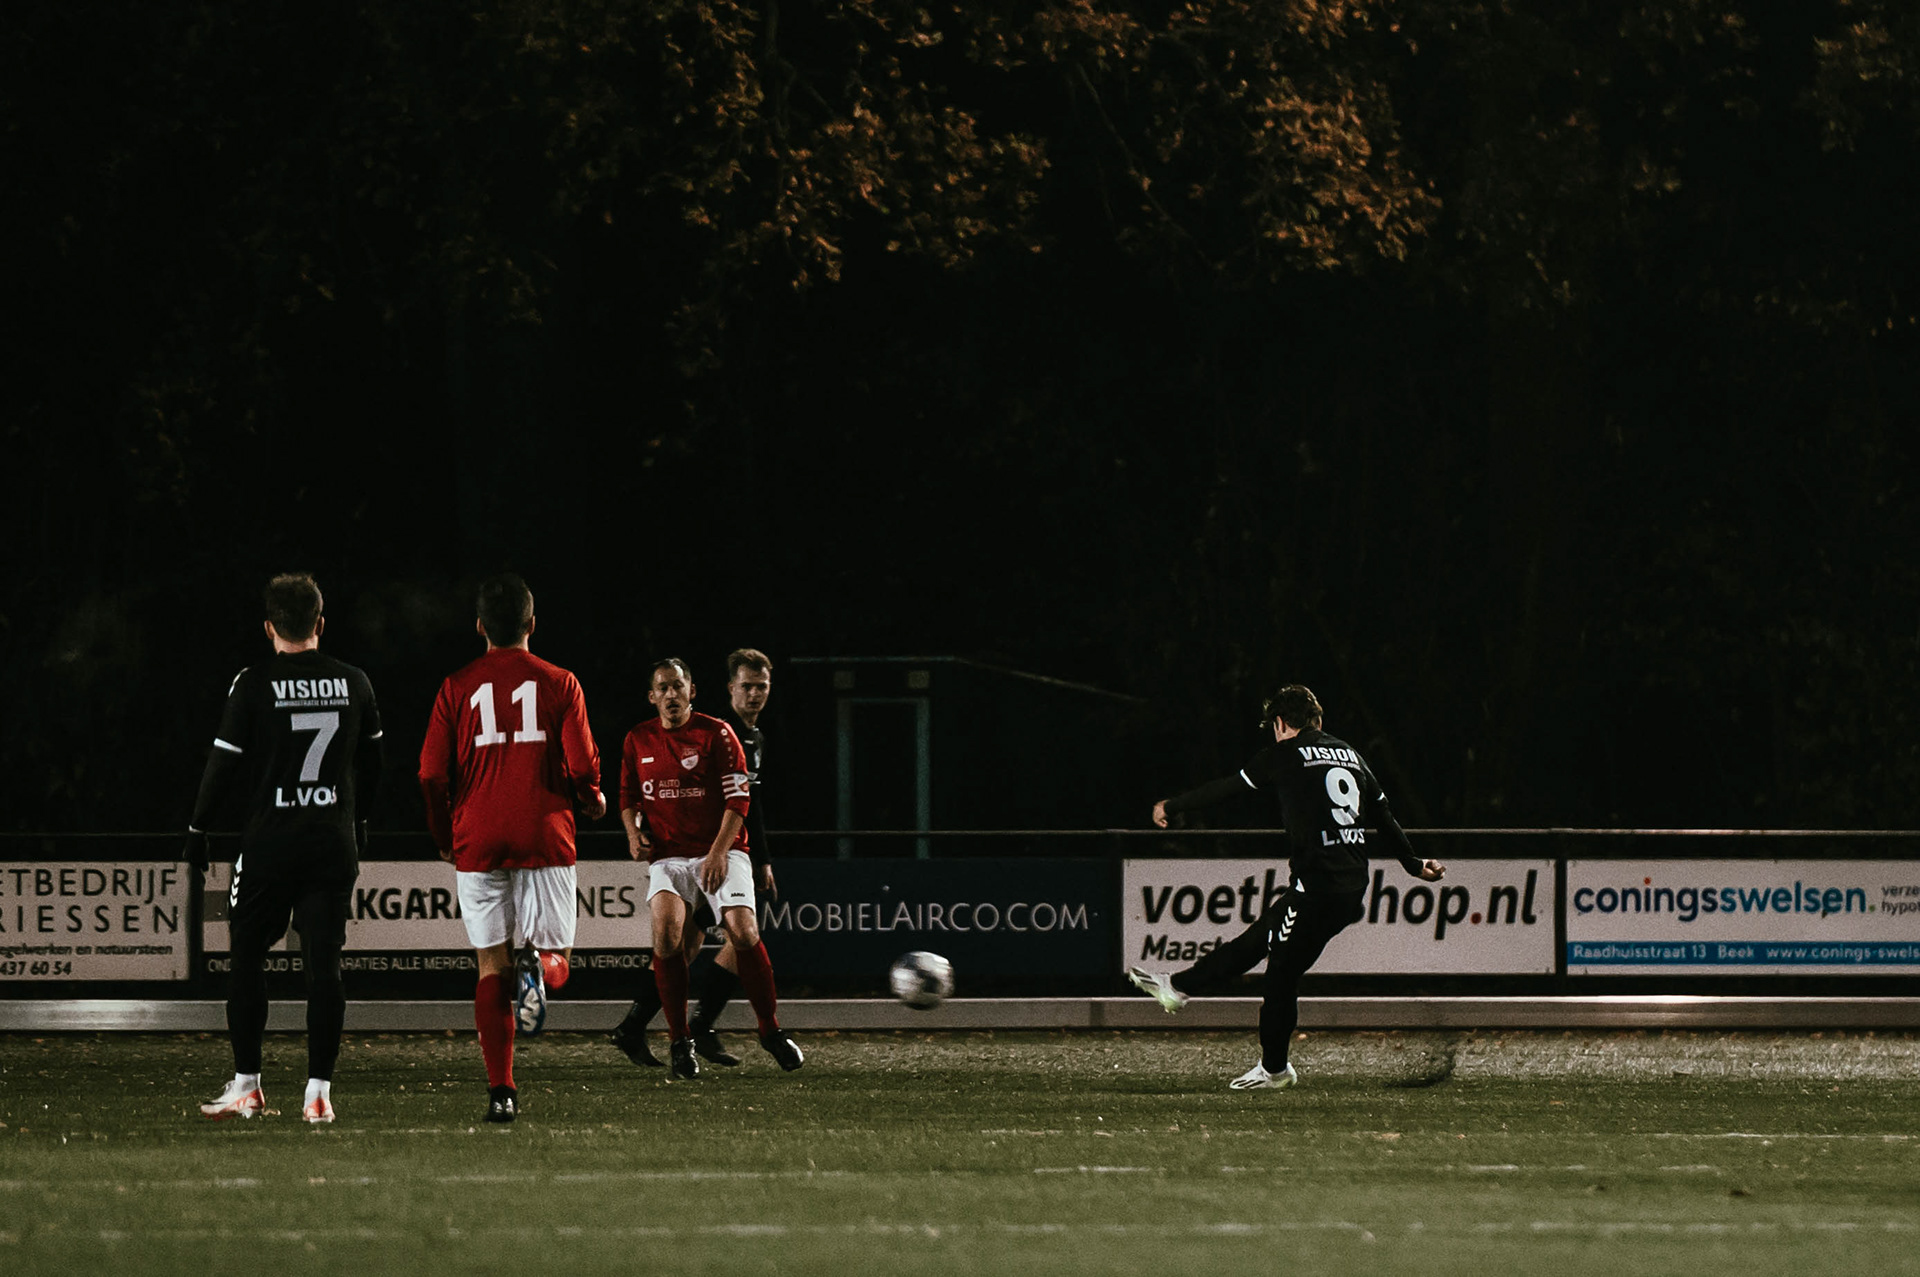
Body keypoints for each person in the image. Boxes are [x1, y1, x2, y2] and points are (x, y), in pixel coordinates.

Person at [1127, 684, 1445, 1090]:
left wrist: (1171, 806)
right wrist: (1414, 865)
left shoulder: (1283, 755)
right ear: (1318, 720)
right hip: (1349, 885)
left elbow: (1226, 788)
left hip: (1318, 888)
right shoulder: (1351, 754)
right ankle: (1179, 990)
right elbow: (1383, 816)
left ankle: (1271, 1067)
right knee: (1263, 949)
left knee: (1276, 968)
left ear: (1280, 723)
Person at [186, 573, 383, 1124]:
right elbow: (374, 765)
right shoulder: (355, 681)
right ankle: (318, 1092)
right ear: (320, 623)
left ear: (269, 627)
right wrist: (359, 819)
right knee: (324, 965)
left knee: (247, 957)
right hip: (330, 842)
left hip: (270, 842)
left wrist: (199, 828)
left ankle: (247, 1085)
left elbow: (223, 761)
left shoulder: (253, 682)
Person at [418, 574, 605, 1124]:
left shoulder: (456, 686)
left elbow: (430, 773)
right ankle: (540, 967)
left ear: (480, 626)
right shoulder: (560, 682)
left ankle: (502, 1091)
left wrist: (443, 835)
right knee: (558, 957)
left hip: (478, 834)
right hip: (543, 831)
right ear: (532, 624)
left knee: (489, 967)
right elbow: (582, 764)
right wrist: (591, 797)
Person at [608, 658, 802, 1079]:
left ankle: (770, 1030)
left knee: (743, 931)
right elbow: (627, 796)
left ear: (692, 691)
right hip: (670, 857)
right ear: (652, 696)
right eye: (663, 687)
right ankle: (681, 1040)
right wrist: (632, 832)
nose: (671, 694)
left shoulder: (718, 733)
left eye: (678, 686)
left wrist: (718, 853)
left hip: (723, 849)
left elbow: (740, 800)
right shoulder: (638, 738)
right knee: (668, 937)